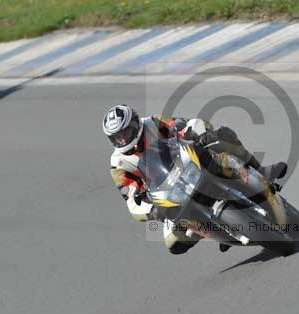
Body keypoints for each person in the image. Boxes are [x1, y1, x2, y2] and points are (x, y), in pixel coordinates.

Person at [103, 104, 287, 255]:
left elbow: (185, 124)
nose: (122, 140)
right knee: (173, 243)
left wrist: (200, 132)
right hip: (168, 195)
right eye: (116, 138)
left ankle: (260, 170)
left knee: (224, 136)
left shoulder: (154, 122)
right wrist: (152, 210)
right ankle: (220, 230)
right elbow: (131, 199)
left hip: (190, 164)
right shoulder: (118, 164)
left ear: (135, 123)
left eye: (125, 133)